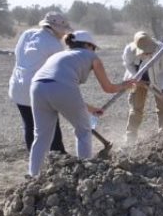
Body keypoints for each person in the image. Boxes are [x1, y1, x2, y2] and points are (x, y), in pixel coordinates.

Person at [28, 31, 135, 176]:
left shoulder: (58, 55)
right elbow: (108, 88)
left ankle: (33, 176)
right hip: (60, 88)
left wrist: (91, 109)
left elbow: (58, 88)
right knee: (84, 130)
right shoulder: (92, 56)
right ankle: (85, 174)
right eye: (94, 47)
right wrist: (125, 85)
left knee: (41, 136)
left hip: (36, 87)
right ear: (88, 45)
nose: (94, 51)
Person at [8, 12, 73, 153]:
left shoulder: (27, 34)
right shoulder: (54, 45)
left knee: (30, 124)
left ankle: (35, 159)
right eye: (63, 30)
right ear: (56, 28)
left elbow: (19, 56)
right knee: (51, 124)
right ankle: (59, 156)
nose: (64, 34)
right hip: (37, 90)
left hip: (18, 86)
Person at [122, 31, 163, 145]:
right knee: (136, 109)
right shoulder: (129, 50)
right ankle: (130, 138)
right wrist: (136, 78)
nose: (148, 54)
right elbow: (128, 64)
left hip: (158, 79)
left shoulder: (161, 50)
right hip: (137, 80)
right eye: (145, 53)